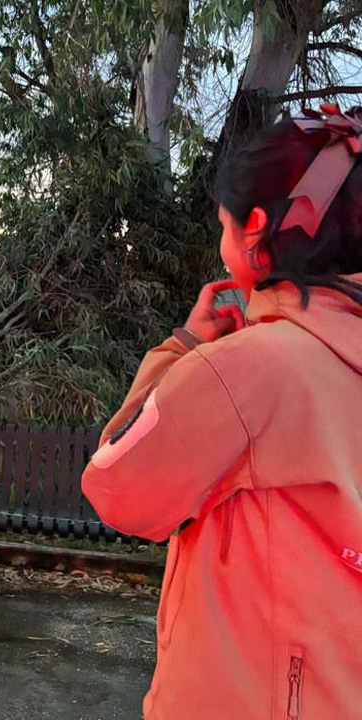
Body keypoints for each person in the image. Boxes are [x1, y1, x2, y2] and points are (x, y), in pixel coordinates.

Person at [81, 105, 362, 719]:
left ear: (256, 230)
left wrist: (184, 345)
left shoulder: (248, 370)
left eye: (223, 224)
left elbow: (115, 483)